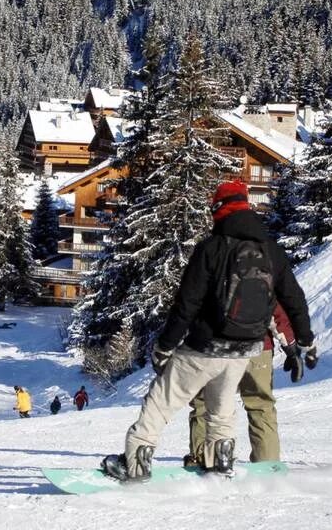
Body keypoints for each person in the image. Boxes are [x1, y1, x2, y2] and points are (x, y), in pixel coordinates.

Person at [101, 180, 314, 482]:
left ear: (218, 209)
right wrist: (304, 339)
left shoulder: (211, 248)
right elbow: (294, 298)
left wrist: (165, 345)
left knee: (161, 400)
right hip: (246, 349)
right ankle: (219, 464)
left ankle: (135, 464)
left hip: (206, 346)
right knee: (221, 409)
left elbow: (187, 303)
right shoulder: (271, 251)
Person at [184, 302, 307, 466]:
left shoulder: (205, 275)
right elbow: (274, 311)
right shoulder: (264, 275)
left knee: (206, 403)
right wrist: (290, 348)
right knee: (261, 406)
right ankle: (267, 463)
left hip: (214, 347)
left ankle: (204, 459)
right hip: (257, 347)